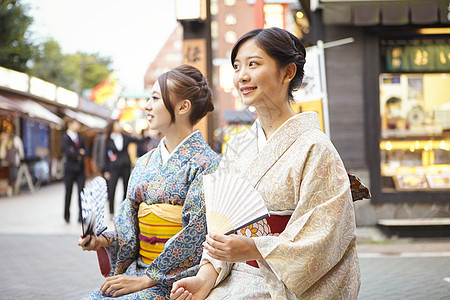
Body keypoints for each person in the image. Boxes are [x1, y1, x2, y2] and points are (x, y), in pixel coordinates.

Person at [171, 28, 360, 299]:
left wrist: (255, 248)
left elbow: (324, 238)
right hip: (234, 277)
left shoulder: (315, 148)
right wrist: (204, 277)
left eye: (253, 64)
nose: (242, 76)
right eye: (237, 67)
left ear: (287, 72)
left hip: (280, 285)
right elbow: (222, 230)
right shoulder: (237, 148)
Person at [78, 64, 220, 299]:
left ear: (183, 106)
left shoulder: (206, 163)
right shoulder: (144, 162)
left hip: (177, 281)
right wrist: (101, 240)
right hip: (139, 272)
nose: (147, 105)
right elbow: (128, 227)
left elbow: (195, 235)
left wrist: (146, 280)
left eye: (155, 98)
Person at [102, 119, 142, 217]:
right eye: (116, 124)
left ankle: (125, 211)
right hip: (113, 168)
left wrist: (143, 135)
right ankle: (111, 212)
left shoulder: (125, 137)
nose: (118, 126)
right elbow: (105, 156)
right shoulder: (108, 139)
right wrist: (105, 170)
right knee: (111, 189)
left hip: (125, 166)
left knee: (126, 188)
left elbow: (137, 140)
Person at [62, 118, 87, 223]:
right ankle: (66, 215)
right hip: (69, 169)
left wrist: (77, 153)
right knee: (68, 192)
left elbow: (86, 151)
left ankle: (81, 216)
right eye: (76, 123)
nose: (78, 125)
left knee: (81, 192)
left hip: (80, 168)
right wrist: (79, 153)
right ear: (70, 124)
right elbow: (68, 152)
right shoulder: (65, 137)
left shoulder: (80, 137)